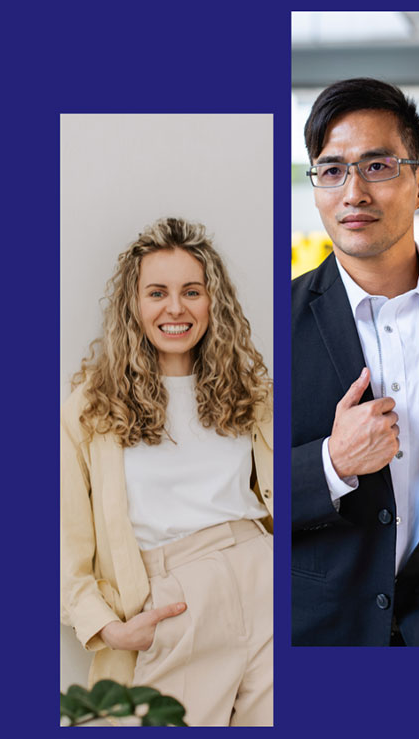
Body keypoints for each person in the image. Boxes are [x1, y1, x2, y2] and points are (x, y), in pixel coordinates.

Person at [291, 77, 419, 646]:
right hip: (315, 636)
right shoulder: (270, 324)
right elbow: (240, 492)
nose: (353, 192)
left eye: (377, 166)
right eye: (332, 170)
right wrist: (332, 462)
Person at [60, 218, 274, 726]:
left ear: (213, 302)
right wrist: (108, 629)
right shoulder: (90, 409)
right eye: (157, 293)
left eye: (191, 292)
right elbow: (64, 543)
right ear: (132, 305)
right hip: (172, 604)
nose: (175, 308)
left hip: (265, 584)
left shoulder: (251, 394)